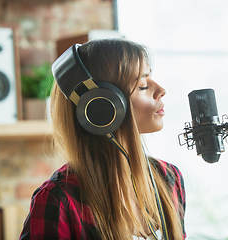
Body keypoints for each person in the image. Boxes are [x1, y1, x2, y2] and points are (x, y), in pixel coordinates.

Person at [19, 39, 186, 240]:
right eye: (142, 85)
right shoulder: (59, 199)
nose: (161, 90)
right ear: (101, 106)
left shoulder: (169, 178)